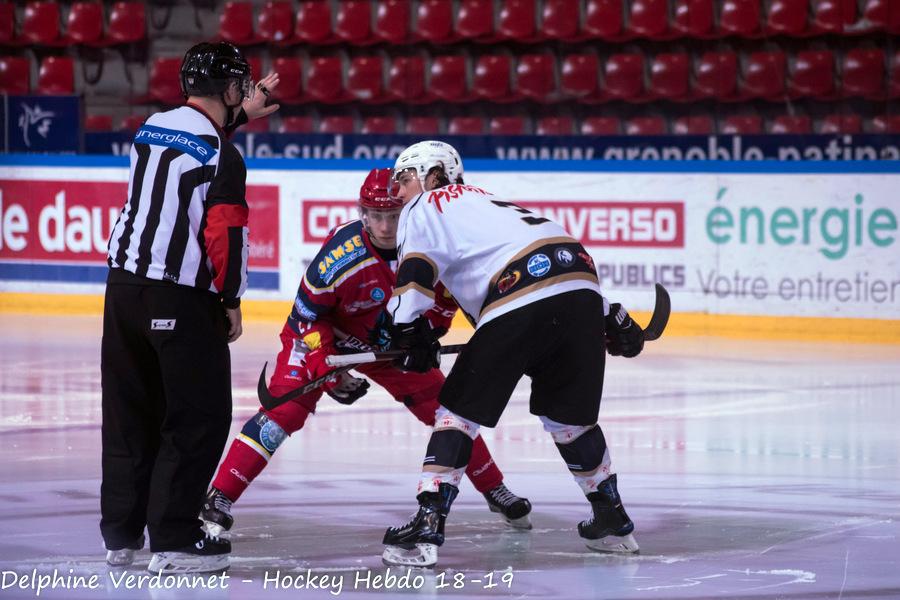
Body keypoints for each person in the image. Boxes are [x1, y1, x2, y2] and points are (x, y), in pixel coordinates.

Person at [200, 168, 533, 543]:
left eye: (394, 215)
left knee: (447, 411)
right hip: (325, 339)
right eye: (376, 215)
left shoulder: (432, 247)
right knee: (284, 413)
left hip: (388, 345)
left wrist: (425, 339)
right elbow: (306, 316)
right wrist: (325, 366)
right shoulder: (341, 256)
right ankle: (219, 495)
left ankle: (493, 487)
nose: (386, 226)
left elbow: (443, 305)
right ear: (363, 214)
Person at [380, 141, 645, 567]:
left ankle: (428, 520)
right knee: (570, 420)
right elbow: (554, 263)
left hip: (517, 292)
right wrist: (612, 315)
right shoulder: (492, 204)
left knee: (456, 414)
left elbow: (417, 269)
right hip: (580, 284)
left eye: (405, 177)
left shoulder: (426, 204)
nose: (399, 190)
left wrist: (407, 329)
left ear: (434, 175)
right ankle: (611, 517)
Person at [100, 41, 278, 574]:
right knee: (196, 418)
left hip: (122, 293)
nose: (243, 90)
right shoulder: (226, 155)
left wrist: (237, 117)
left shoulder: (151, 127)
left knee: (130, 415)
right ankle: (175, 540)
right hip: (180, 296)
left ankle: (121, 536)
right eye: (238, 84)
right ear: (227, 88)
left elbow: (194, 145)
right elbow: (224, 232)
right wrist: (231, 299)